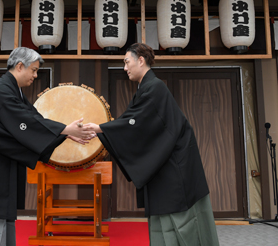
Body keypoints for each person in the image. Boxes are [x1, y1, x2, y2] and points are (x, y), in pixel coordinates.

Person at [0, 47, 95, 246]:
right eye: (33, 70)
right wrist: (65, 130)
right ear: (20, 66)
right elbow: (24, 123)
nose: (35, 75)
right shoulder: (2, 90)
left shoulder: (13, 90)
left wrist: (64, 133)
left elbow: (33, 119)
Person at [84, 43, 219, 245]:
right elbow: (133, 121)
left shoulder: (154, 87)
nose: (125, 68)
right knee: (164, 217)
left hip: (175, 166)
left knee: (182, 220)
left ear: (140, 60)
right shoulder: (147, 88)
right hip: (164, 164)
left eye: (126, 62)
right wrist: (102, 130)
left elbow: (136, 123)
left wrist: (101, 129)